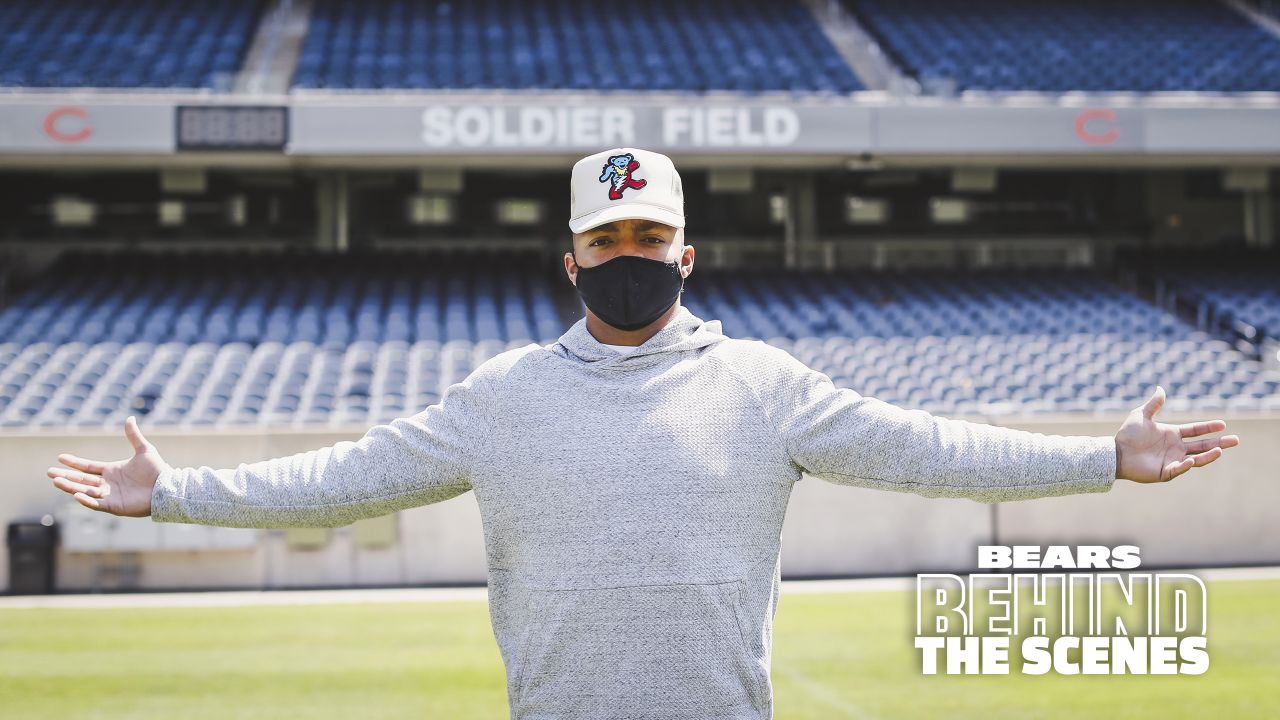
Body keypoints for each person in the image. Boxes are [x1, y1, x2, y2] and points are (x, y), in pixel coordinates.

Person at [49, 147, 1240, 719]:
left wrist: (1101, 456)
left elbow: (930, 448)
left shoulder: (762, 384)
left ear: (687, 255)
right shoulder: (500, 396)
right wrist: (178, 493)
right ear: (570, 260)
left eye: (649, 241)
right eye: (606, 243)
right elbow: (343, 481)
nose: (630, 261)